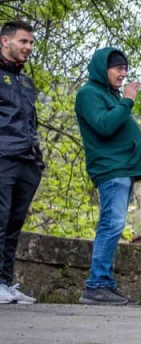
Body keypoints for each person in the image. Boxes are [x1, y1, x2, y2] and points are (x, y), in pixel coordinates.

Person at [75, 47, 141, 305]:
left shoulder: (109, 95)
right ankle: (96, 285)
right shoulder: (89, 94)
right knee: (111, 224)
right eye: (118, 69)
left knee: (114, 225)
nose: (123, 74)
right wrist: (127, 100)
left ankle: (104, 284)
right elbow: (105, 126)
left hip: (122, 171)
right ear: (102, 69)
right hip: (111, 170)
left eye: (125, 69)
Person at [0, 20, 42, 305]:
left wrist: (37, 158)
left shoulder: (25, 81)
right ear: (5, 41)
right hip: (3, 157)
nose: (28, 47)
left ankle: (5, 283)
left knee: (14, 224)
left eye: (30, 43)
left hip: (27, 160)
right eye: (23, 42)